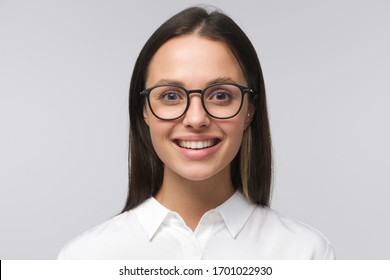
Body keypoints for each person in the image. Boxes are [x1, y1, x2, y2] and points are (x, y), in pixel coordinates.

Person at [58, 6, 335, 259]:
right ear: (143, 109)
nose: (196, 118)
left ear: (249, 110)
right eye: (170, 95)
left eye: (220, 96)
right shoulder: (84, 259)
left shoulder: (306, 254)